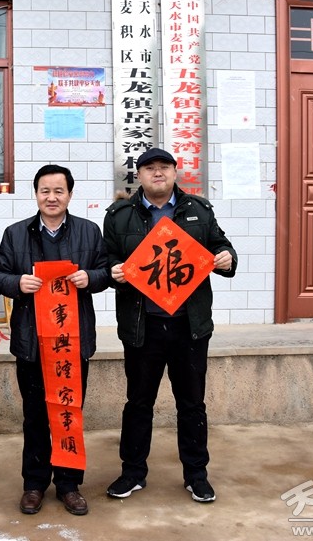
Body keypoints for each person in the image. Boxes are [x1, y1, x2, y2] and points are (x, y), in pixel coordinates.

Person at [102, 147, 237, 504]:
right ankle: (132, 472)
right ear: (139, 176)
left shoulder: (199, 210)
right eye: (150, 168)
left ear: (176, 173)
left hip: (189, 326)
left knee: (192, 404)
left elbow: (221, 246)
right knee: (138, 403)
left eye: (164, 167)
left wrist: (228, 257)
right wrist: (114, 272)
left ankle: (196, 475)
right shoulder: (119, 215)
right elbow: (107, 259)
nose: (157, 173)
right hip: (142, 326)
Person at [0, 164, 109, 517]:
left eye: (59, 191)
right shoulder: (15, 234)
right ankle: (34, 484)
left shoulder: (89, 232)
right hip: (32, 342)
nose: (52, 197)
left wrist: (90, 277)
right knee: (34, 417)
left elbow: (107, 271)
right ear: (36, 194)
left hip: (72, 343)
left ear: (70, 195)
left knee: (69, 413)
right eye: (45, 191)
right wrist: (17, 283)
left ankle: (69, 485)